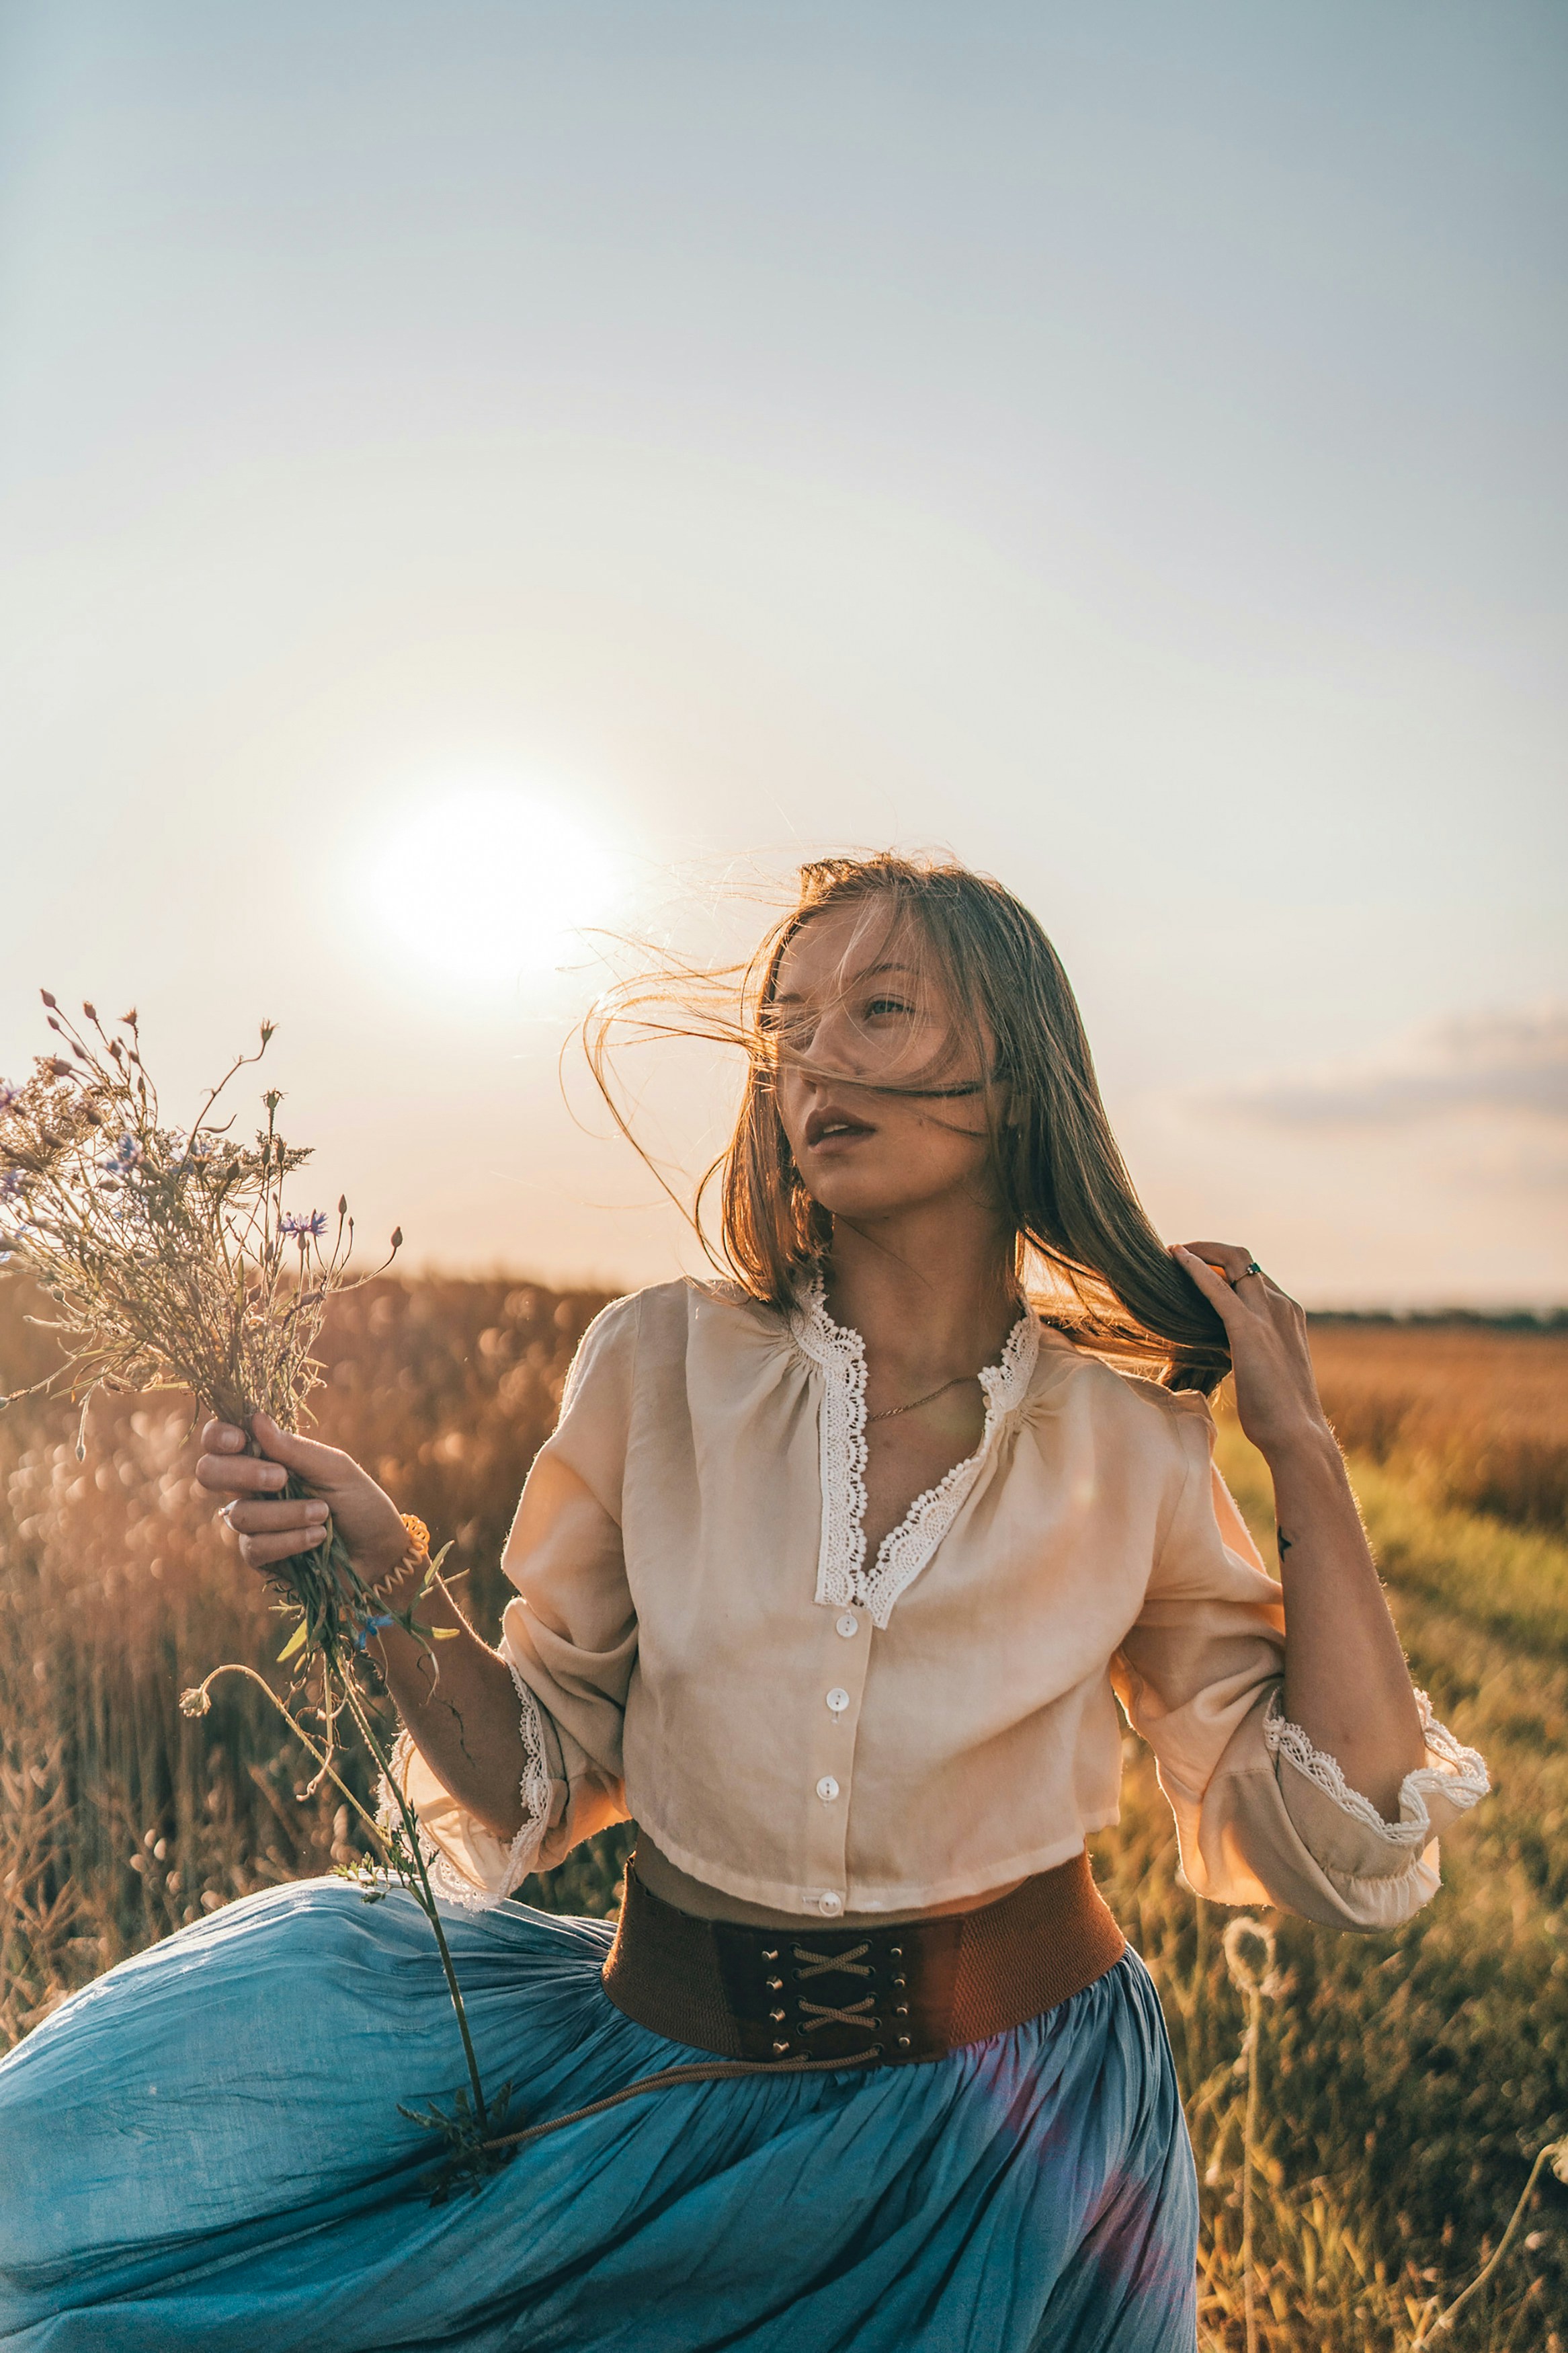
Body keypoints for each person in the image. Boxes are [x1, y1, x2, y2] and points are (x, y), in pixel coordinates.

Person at [0, 852, 1489, 2352]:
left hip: (1025, 2153)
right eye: (788, 1027)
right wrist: (381, 1574)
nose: (815, 1056)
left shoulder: (1131, 1441)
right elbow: (538, 1771)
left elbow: (1339, 1831)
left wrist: (1299, 1446)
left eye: (881, 1008)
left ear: (1020, 1078)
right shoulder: (659, 1367)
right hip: (682, 2103)